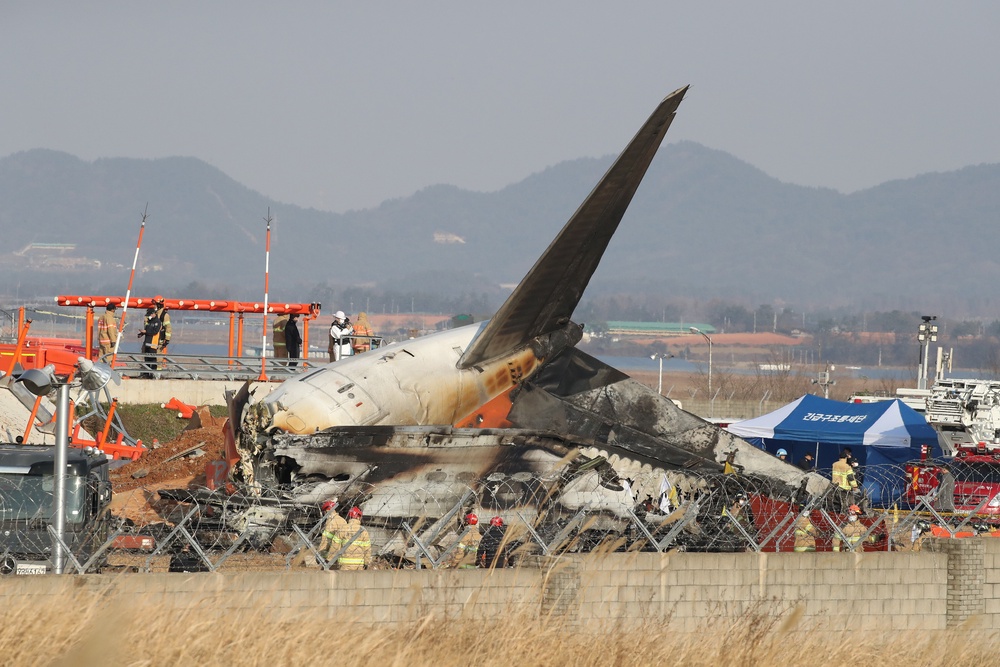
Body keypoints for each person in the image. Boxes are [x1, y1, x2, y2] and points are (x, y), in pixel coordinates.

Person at [137, 297, 171, 378]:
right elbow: (148, 326)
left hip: (159, 340)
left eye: (155, 304)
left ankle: (157, 374)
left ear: (159, 304)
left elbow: (168, 328)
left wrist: (167, 339)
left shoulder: (164, 315)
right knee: (147, 356)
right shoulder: (152, 314)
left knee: (158, 358)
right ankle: (147, 373)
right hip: (150, 340)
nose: (154, 306)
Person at [335, 506, 371, 570]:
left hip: (344, 565)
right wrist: (366, 562)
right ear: (358, 517)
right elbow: (367, 549)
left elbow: (335, 546)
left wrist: (330, 560)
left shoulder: (342, 529)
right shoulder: (363, 531)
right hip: (359, 566)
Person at [317, 498, 348, 564]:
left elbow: (325, 541)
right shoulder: (343, 520)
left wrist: (319, 555)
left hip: (332, 555)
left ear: (327, 511)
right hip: (343, 553)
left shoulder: (330, 522)